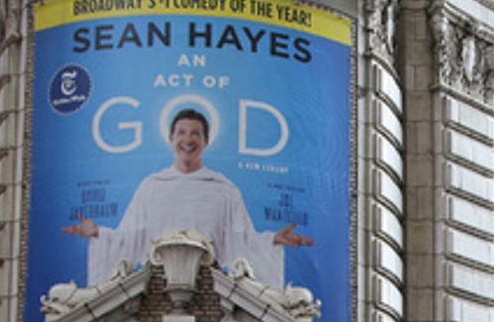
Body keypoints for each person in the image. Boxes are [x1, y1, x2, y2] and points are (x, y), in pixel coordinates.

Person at [61, 109, 314, 287]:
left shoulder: (224, 190)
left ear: (205, 141)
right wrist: (99, 233)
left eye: (195, 133)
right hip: (155, 288)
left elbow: (241, 240)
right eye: (181, 132)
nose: (188, 139)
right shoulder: (151, 187)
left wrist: (272, 241)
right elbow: (131, 238)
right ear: (171, 139)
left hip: (210, 288)